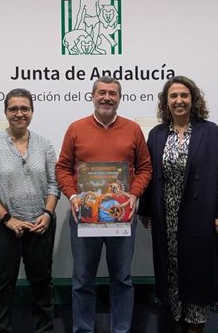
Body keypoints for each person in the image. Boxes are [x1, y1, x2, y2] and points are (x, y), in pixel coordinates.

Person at [56, 76, 152, 333]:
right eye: (102, 92)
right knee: (82, 281)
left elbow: (145, 168)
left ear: (120, 98)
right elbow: (62, 168)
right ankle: (83, 330)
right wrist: (74, 197)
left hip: (121, 217)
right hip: (84, 217)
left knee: (122, 279)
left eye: (112, 93)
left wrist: (133, 194)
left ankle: (121, 330)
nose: (107, 97)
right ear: (92, 96)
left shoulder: (132, 129)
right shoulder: (76, 128)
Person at [138, 76, 218, 333]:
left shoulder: (210, 131)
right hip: (165, 217)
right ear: (166, 102)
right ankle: (177, 323)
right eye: (173, 96)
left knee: (198, 273)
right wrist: (145, 210)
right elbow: (149, 173)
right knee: (171, 272)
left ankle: (195, 327)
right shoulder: (157, 134)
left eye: (184, 95)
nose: (179, 101)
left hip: (200, 215)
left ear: (193, 99)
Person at [0, 88, 59, 333]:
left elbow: (54, 185)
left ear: (32, 111)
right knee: (3, 285)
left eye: (25, 108)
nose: (19, 114)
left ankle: (44, 330)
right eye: (14, 109)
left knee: (42, 283)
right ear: (6, 112)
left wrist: (47, 214)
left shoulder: (44, 144)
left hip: (39, 225)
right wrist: (7, 219)